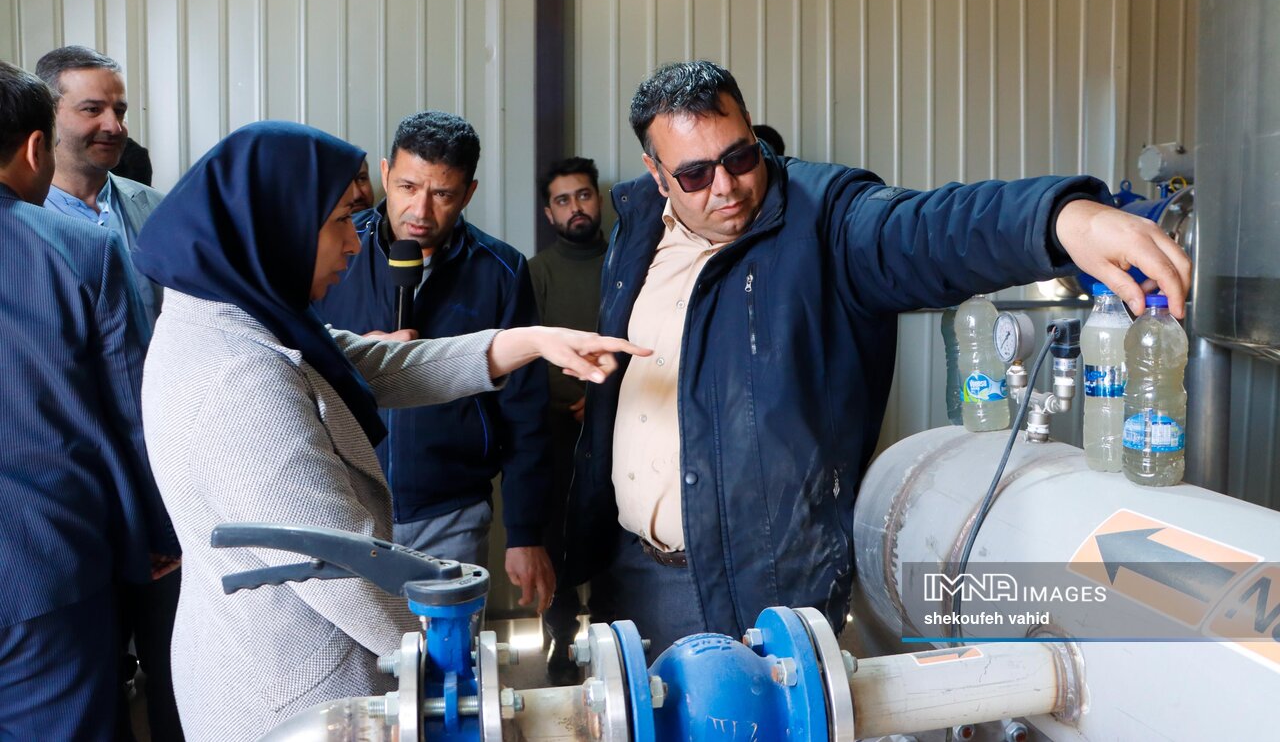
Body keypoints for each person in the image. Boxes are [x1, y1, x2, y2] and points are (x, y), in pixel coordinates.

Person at [565, 60, 1192, 654]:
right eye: (696, 175)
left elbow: (931, 229)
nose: (726, 186)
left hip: (752, 592)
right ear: (657, 174)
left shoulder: (827, 220)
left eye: (740, 157)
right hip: (633, 572)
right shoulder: (638, 227)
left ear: (753, 132)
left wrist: (1060, 220)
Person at [133, 120, 644, 741]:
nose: (355, 243)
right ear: (280, 225)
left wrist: (529, 341)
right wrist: (458, 670)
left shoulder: (231, 317)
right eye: (339, 222)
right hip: (296, 687)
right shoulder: (240, 376)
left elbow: (378, 362)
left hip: (275, 655)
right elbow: (336, 569)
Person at [0, 61, 179, 740]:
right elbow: (132, 409)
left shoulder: (145, 209)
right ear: (35, 147)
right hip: (46, 560)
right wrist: (160, 531)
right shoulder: (79, 249)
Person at [314, 111, 555, 614]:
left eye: (442, 194)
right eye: (407, 187)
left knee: (449, 659)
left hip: (451, 515)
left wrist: (526, 532)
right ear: (385, 175)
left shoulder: (501, 270)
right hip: (343, 506)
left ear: (468, 193)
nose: (420, 210)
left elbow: (526, 412)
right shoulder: (333, 248)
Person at [528, 156, 607, 684]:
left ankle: (611, 637)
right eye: (562, 200)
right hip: (556, 432)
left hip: (622, 425)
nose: (575, 207)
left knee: (615, 535)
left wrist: (602, 399)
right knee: (554, 536)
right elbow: (527, 356)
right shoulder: (536, 273)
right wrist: (572, 399)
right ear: (549, 213)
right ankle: (561, 635)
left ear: (597, 199)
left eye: (583, 195)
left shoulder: (630, 261)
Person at [36, 45, 165, 328]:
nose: (114, 127)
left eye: (119, 111)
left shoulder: (160, 210)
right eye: (92, 109)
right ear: (48, 115)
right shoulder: (15, 222)